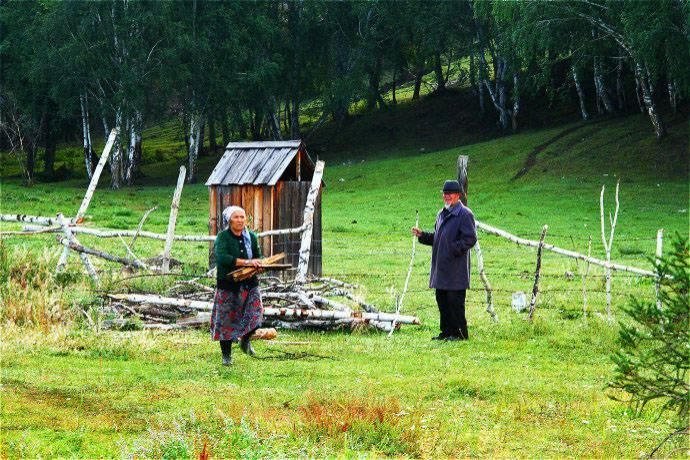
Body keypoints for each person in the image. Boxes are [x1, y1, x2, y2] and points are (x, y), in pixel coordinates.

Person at [412, 180, 477, 341]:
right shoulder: (441, 214)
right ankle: (446, 332)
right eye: (444, 193)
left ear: (458, 195)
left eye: (450, 194)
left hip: (456, 269)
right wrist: (422, 235)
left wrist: (453, 249)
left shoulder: (465, 214)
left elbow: (470, 239)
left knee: (455, 302)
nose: (446, 196)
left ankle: (459, 334)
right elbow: (438, 238)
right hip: (440, 268)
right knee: (442, 300)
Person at [211, 205, 264, 365]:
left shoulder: (252, 237)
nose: (240, 220)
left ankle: (245, 340)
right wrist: (246, 262)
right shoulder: (223, 237)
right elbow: (222, 258)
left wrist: (259, 265)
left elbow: (257, 256)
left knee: (256, 313)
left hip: (249, 284)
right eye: (236, 217)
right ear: (229, 220)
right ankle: (226, 356)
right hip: (229, 286)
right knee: (226, 321)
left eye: (242, 217)